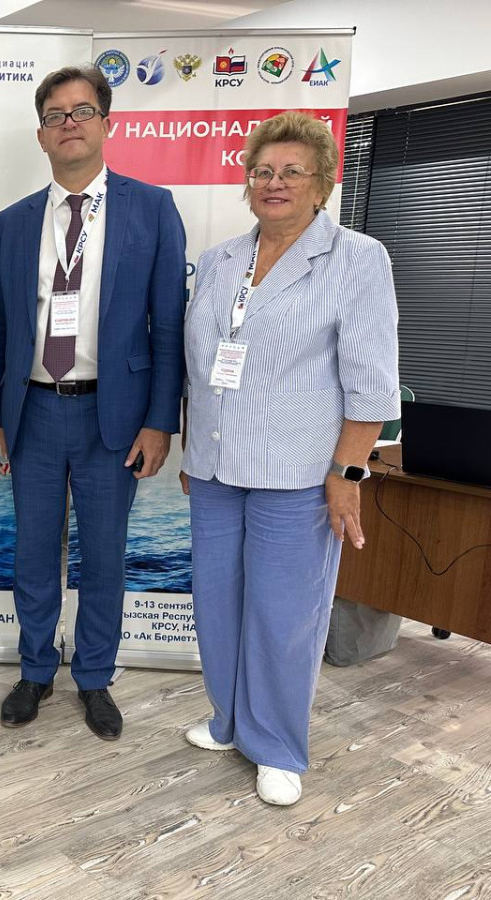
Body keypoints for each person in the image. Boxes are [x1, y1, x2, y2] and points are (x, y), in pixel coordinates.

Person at [180, 111, 399, 805]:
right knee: (218, 605)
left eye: (291, 172)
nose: (273, 183)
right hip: (215, 467)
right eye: (262, 171)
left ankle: (276, 745)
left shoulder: (357, 259)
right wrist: (195, 447)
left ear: (323, 183)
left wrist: (347, 473)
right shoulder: (221, 259)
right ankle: (229, 719)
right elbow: (201, 365)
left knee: (284, 614)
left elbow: (371, 384)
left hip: (298, 473)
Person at [0, 65, 186, 739]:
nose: (69, 123)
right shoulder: (11, 225)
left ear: (106, 123)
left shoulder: (151, 209)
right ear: (41, 135)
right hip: (34, 412)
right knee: (34, 553)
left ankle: (95, 676)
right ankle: (36, 669)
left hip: (114, 416)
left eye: (82, 111)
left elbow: (168, 326)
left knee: (103, 556)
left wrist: (160, 422)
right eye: (55, 115)